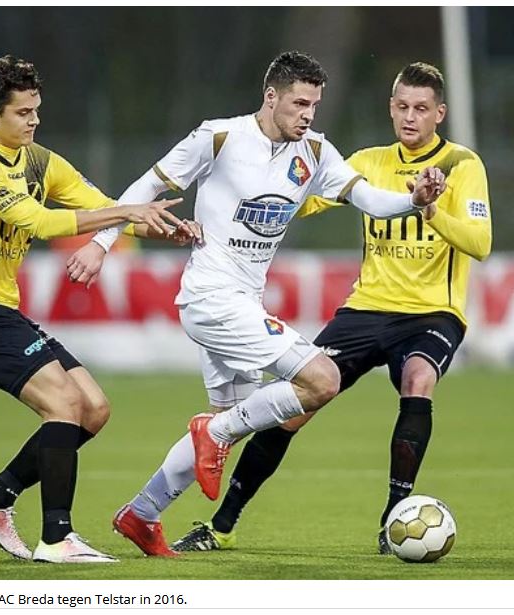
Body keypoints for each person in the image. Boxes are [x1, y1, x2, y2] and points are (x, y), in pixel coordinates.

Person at [66, 51, 446, 557]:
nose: (308, 114)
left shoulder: (314, 152)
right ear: (271, 97)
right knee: (321, 380)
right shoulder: (219, 137)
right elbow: (149, 185)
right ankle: (213, 431)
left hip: (242, 300)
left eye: (314, 104)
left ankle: (142, 513)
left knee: (241, 417)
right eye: (298, 103)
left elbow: (371, 199)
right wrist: (101, 242)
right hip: (210, 296)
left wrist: (414, 200)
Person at [168, 61, 492, 555]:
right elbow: (300, 198)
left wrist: (430, 207)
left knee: (418, 380)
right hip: (366, 309)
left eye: (421, 109)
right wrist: (241, 200)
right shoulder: (365, 160)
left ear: (440, 113)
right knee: (295, 402)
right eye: (402, 106)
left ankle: (393, 519)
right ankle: (221, 525)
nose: (410, 117)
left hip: (433, 313)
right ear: (390, 107)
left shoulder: (460, 165)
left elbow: (480, 242)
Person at [0, 55, 198, 564]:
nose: (34, 120)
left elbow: (97, 203)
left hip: (1, 309)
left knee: (94, 409)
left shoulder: (39, 159)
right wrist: (128, 210)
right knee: (64, 406)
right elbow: (40, 222)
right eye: (22, 112)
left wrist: (167, 229)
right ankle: (57, 537)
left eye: (37, 110)